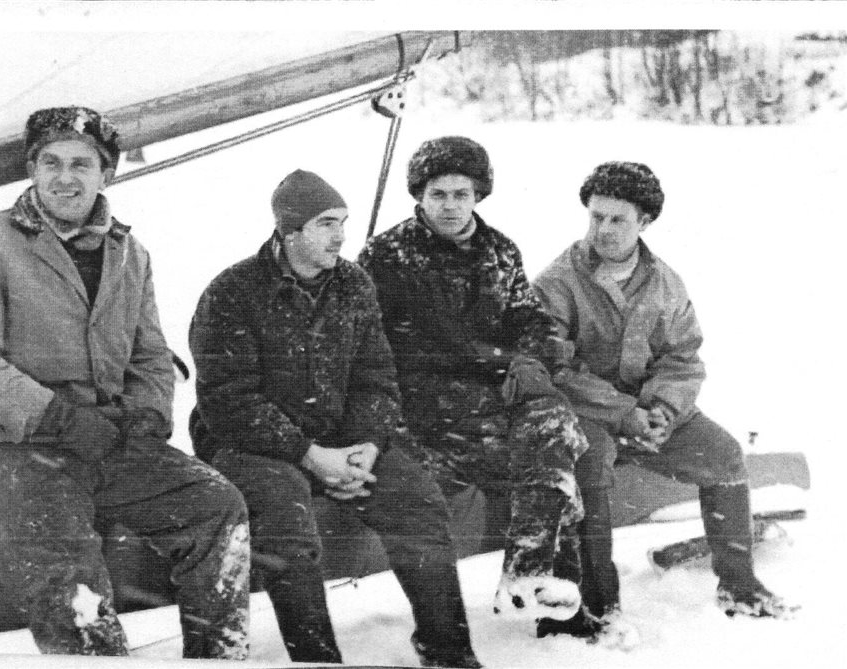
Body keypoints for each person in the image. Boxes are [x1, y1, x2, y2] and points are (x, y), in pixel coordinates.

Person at [0, 106, 250, 659]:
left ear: (106, 174)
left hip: (104, 438)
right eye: (51, 163)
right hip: (9, 445)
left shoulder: (130, 253)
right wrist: (60, 419)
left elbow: (150, 355)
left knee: (214, 505)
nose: (65, 178)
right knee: (74, 593)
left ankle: (218, 658)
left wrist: (144, 418)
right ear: (32, 170)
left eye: (81, 164)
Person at [189, 169, 481, 668]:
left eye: (342, 222)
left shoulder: (353, 284)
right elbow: (227, 401)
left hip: (340, 440)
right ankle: (318, 660)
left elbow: (376, 377)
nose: (340, 236)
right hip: (251, 446)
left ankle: (448, 652)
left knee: (418, 500)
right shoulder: (233, 291)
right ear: (290, 230)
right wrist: (309, 455)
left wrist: (367, 445)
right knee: (287, 522)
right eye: (326, 224)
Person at [532, 161, 797, 639]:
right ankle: (595, 608)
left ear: (645, 222)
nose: (603, 229)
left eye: (618, 219)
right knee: (589, 468)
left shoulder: (665, 282)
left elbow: (683, 357)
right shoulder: (557, 282)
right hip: (584, 413)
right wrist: (624, 413)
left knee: (723, 456)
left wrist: (663, 411)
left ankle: (739, 586)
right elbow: (553, 368)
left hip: (649, 414)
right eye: (596, 217)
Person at [358, 137, 592, 640]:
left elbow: (527, 316)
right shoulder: (387, 255)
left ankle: (530, 576)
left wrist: (530, 357)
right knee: (554, 467)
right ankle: (543, 596)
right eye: (438, 194)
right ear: (419, 196)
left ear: (478, 195)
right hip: (425, 405)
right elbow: (391, 345)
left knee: (553, 425)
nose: (449, 206)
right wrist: (501, 361)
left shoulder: (499, 250)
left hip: (493, 395)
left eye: (460, 194)